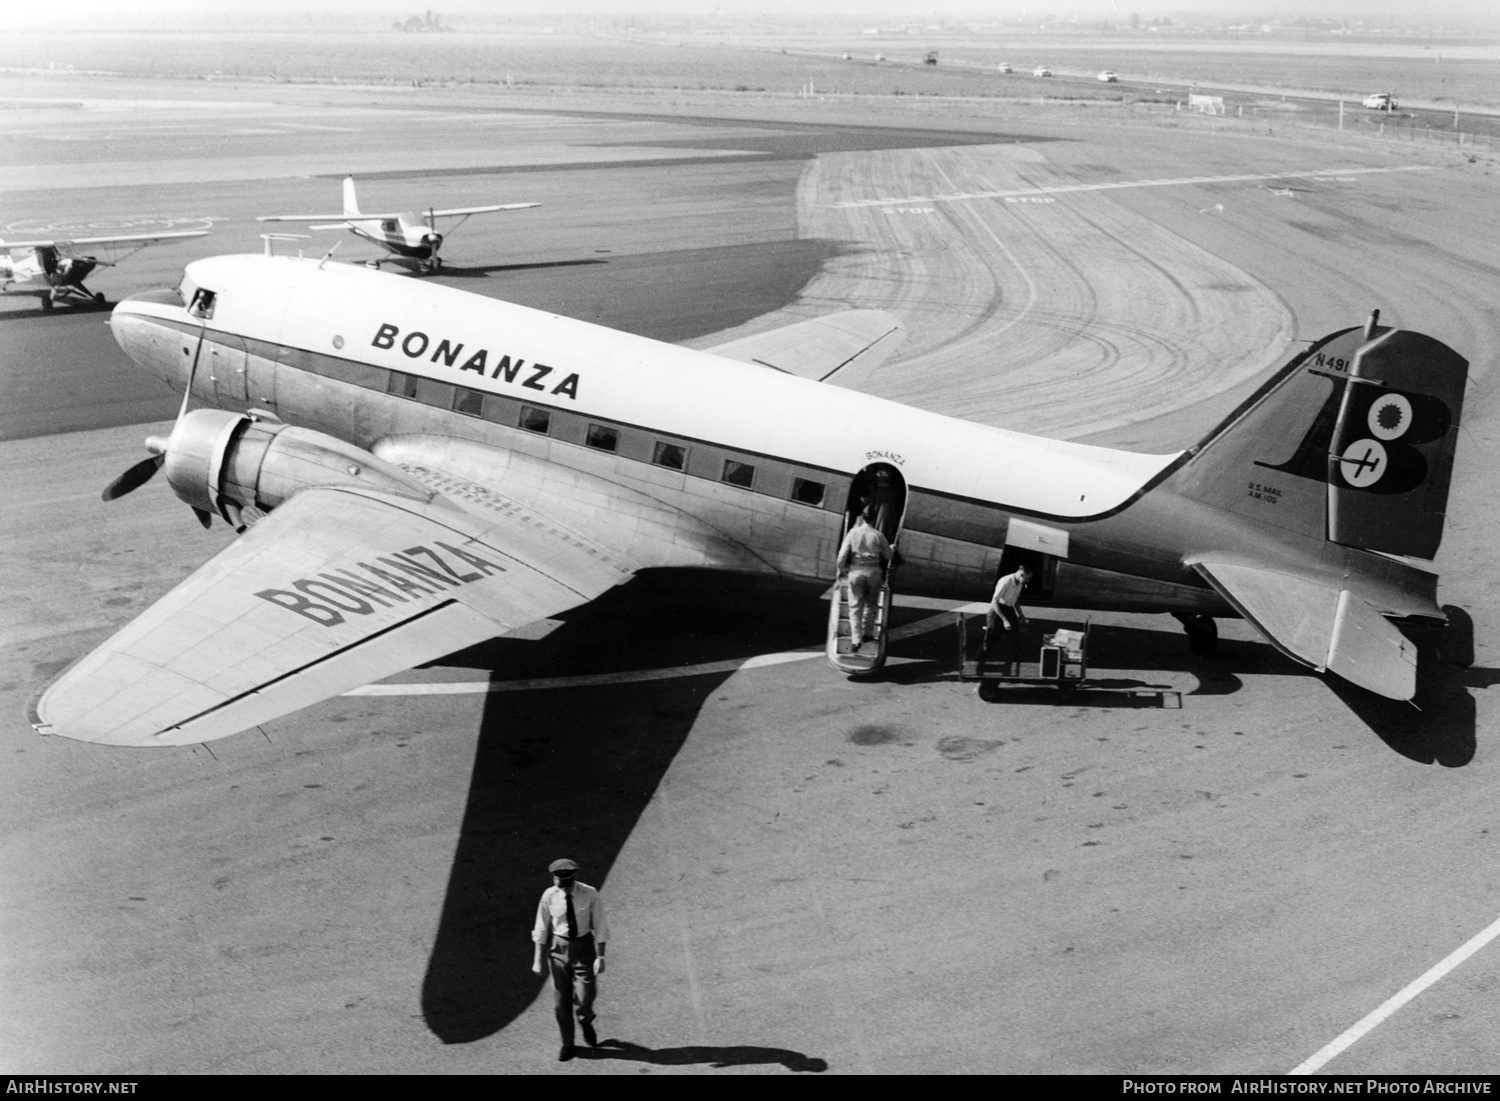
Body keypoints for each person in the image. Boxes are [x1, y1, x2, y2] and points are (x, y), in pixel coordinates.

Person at [531, 857, 610, 1061]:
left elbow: (600, 926)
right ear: (554, 878)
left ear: (574, 878)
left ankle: (585, 1017)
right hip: (558, 948)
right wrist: (538, 959)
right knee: (560, 1001)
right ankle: (568, 1043)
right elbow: (541, 927)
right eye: (559, 883)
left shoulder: (589, 893)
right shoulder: (549, 895)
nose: (564, 888)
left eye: (567, 883)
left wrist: (600, 956)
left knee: (585, 996)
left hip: (584, 947)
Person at [836, 505, 892, 653]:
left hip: (856, 571)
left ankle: (856, 640)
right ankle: (868, 633)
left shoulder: (853, 533)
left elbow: (842, 556)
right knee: (872, 604)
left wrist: (842, 570)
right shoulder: (878, 535)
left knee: (855, 607)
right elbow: (888, 555)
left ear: (862, 517)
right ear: (874, 518)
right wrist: (891, 547)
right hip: (874, 572)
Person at [977, 562, 1032, 674]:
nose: (1028, 581)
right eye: (1027, 578)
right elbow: (994, 602)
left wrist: (1021, 615)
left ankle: (1012, 669)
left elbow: (1015, 600)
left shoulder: (1019, 583)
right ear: (1022, 574)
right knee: (991, 640)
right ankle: (976, 665)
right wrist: (1004, 620)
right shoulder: (1006, 581)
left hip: (1008, 609)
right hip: (996, 611)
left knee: (1016, 638)